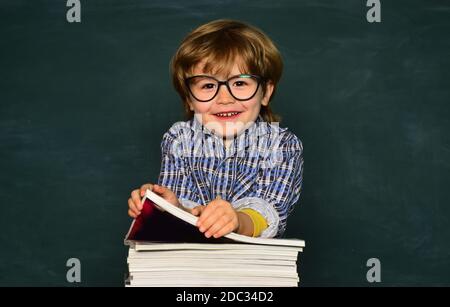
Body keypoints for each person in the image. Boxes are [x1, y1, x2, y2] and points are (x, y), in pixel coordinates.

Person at [128, 19, 303, 239]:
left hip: (251, 264)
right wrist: (170, 208)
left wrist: (238, 221)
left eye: (240, 83)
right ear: (189, 99)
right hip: (191, 263)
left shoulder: (282, 145)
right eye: (208, 85)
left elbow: (269, 212)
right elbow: (187, 216)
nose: (225, 98)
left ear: (265, 92)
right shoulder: (179, 140)